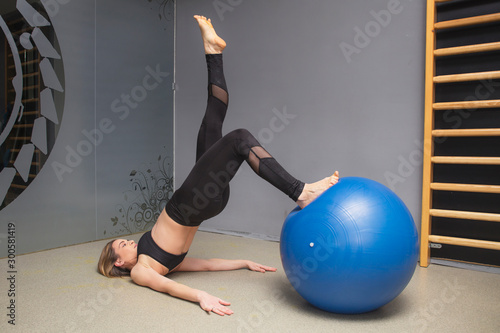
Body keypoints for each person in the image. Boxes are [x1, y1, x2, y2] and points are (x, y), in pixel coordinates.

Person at [98, 15, 339, 316]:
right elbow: (168, 287)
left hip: (207, 201)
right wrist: (201, 297)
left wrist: (243, 262)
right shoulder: (141, 270)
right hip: (190, 205)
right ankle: (300, 191)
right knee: (239, 139)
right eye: (122, 245)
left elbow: (206, 265)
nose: (128, 241)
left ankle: (213, 51)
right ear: (118, 261)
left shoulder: (165, 261)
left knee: (214, 116)